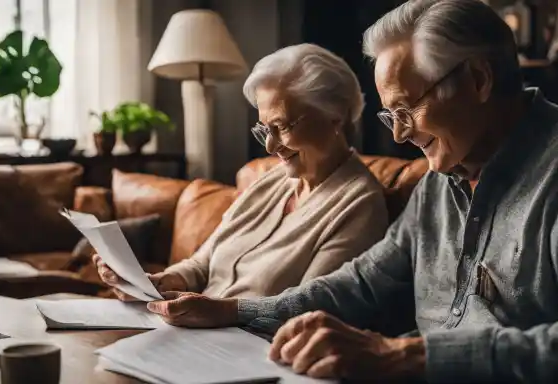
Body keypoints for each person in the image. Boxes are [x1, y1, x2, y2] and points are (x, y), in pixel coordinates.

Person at [144, 0, 558, 382]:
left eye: (407, 110)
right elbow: (359, 285)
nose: (399, 135)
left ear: (479, 79)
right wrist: (234, 311)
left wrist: (408, 356)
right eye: (390, 115)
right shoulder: (439, 182)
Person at [93, 43, 389, 301]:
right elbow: (202, 263)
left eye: (282, 126)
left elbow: (308, 307)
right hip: (192, 335)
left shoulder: (360, 204)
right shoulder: (269, 181)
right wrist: (154, 283)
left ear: (334, 118)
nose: (271, 146)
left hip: (250, 351)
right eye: (265, 129)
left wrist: (212, 311)